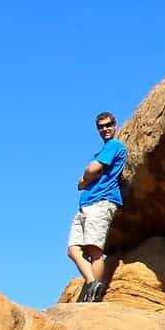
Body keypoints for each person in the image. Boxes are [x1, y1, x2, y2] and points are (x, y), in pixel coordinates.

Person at [68, 112, 127, 301]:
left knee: (94, 251)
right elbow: (84, 178)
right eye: (101, 127)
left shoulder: (114, 146)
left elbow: (90, 170)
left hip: (102, 201)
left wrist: (85, 178)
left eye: (108, 124)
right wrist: (86, 178)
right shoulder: (102, 151)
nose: (105, 129)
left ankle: (95, 294)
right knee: (73, 250)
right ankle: (93, 283)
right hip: (87, 203)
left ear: (115, 125)